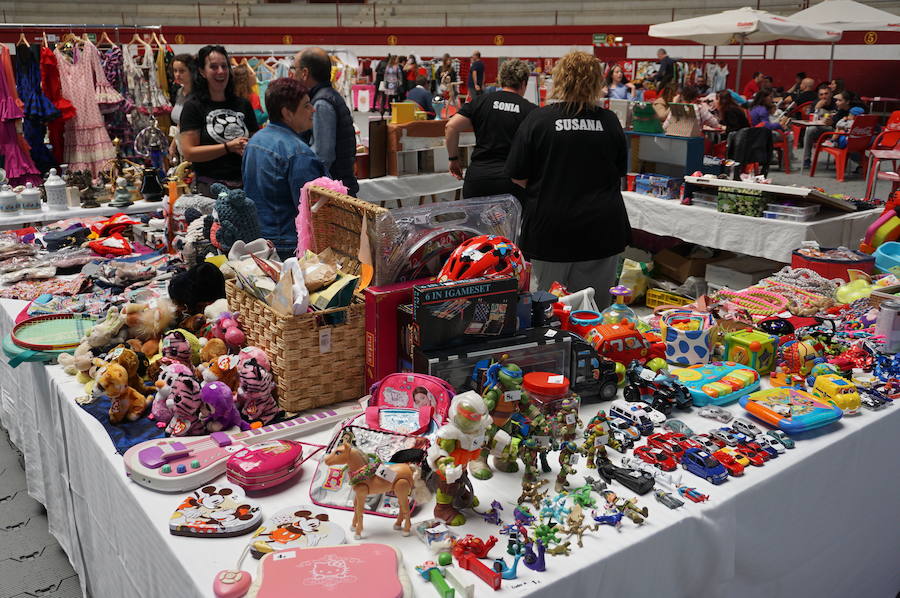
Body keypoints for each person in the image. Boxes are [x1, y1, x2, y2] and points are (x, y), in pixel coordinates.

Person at [505, 51, 629, 308]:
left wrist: (551, 185)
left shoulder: (539, 120)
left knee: (547, 312)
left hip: (552, 228)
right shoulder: (609, 122)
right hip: (602, 228)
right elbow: (619, 172)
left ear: (559, 80)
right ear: (597, 82)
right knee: (595, 313)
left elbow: (517, 176)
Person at [241, 78, 325, 260]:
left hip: (257, 239)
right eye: (306, 105)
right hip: (287, 245)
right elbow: (312, 211)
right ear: (287, 113)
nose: (313, 109)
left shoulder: (255, 142)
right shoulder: (298, 153)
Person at [446, 58, 534, 199]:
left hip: (478, 179)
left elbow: (451, 126)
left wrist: (453, 159)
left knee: (476, 222)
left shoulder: (481, 101)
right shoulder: (530, 110)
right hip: (511, 181)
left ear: (500, 80)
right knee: (514, 222)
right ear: (524, 83)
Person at [180, 45, 259, 196]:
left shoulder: (242, 104)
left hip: (246, 186)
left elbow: (255, 140)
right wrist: (228, 147)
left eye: (224, 66)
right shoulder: (193, 107)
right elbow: (189, 152)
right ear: (202, 71)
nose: (221, 71)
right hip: (211, 188)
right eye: (214, 67)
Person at [293, 47, 359, 196]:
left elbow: (323, 156)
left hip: (333, 191)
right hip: (339, 185)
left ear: (304, 73)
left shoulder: (321, 103)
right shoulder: (329, 96)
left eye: (295, 69)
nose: (293, 74)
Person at [802, 84, 837, 168]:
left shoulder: (837, 102)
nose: (824, 96)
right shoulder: (816, 103)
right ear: (818, 96)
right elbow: (812, 120)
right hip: (820, 128)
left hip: (834, 129)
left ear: (831, 94)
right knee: (809, 130)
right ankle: (806, 159)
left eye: (826, 93)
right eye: (821, 94)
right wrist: (817, 108)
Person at [168, 53, 195, 162]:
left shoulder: (198, 95)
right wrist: (173, 145)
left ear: (191, 71)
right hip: (181, 148)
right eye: (175, 71)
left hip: (194, 148)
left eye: (182, 71)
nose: (177, 74)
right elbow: (180, 123)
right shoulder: (179, 92)